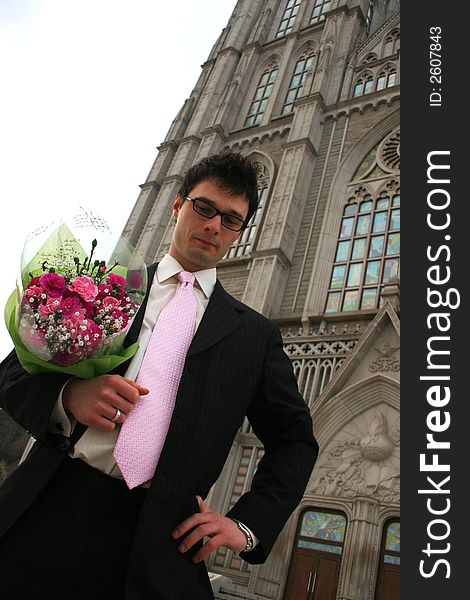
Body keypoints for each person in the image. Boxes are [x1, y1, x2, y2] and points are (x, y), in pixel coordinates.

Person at [0, 152, 318, 599]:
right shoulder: (102, 287)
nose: (213, 226)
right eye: (203, 208)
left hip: (162, 541)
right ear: (177, 205)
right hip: (48, 505)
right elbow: (12, 372)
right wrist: (69, 396)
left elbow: (295, 441)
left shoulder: (254, 335)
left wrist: (246, 525)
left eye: (231, 220)